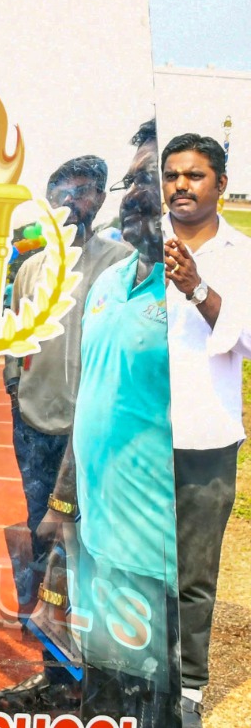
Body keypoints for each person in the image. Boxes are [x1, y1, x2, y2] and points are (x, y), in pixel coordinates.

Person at [44, 127, 178, 726]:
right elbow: (90, 403)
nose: (134, 195)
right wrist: (65, 507)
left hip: (154, 553)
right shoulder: (109, 281)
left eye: (149, 180)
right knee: (102, 698)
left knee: (153, 703)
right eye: (131, 182)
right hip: (95, 540)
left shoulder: (191, 298)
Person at [0, 154, 131, 714]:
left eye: (87, 190)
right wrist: (14, 387)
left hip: (93, 437)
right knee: (43, 545)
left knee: (92, 551)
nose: (74, 200)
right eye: (63, 190)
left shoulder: (118, 264)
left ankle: (99, 679)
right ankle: (54, 675)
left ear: (101, 198)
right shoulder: (30, 268)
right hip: (36, 428)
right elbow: (17, 341)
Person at [154, 131, 251, 728]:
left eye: (194, 175)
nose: (181, 186)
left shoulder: (241, 254)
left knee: (194, 572)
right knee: (130, 561)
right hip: (135, 436)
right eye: (171, 175)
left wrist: (196, 289)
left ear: (220, 183)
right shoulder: (138, 244)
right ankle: (129, 674)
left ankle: (188, 687)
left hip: (205, 435)